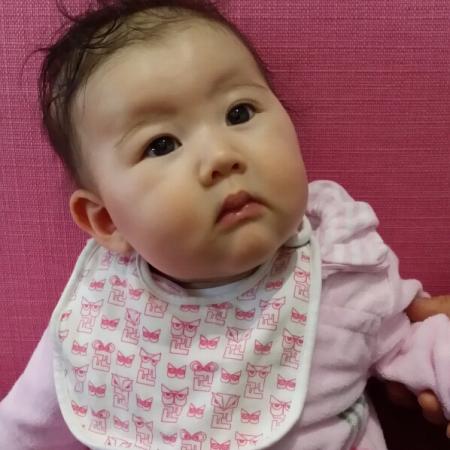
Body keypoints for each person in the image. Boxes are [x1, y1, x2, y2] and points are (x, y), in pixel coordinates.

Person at [0, 1, 449, 449]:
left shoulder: (338, 267)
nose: (220, 156)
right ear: (107, 220)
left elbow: (413, 343)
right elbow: (19, 430)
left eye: (239, 113)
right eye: (161, 144)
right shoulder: (101, 320)